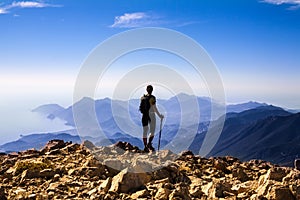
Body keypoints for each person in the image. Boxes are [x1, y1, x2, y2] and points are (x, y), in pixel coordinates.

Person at [141, 85, 164, 152]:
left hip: (144, 115)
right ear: (152, 90)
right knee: (152, 131)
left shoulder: (142, 98)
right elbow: (154, 108)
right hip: (151, 115)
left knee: (145, 131)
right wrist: (160, 115)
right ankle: (149, 144)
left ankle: (145, 146)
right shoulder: (152, 98)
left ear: (146, 90)